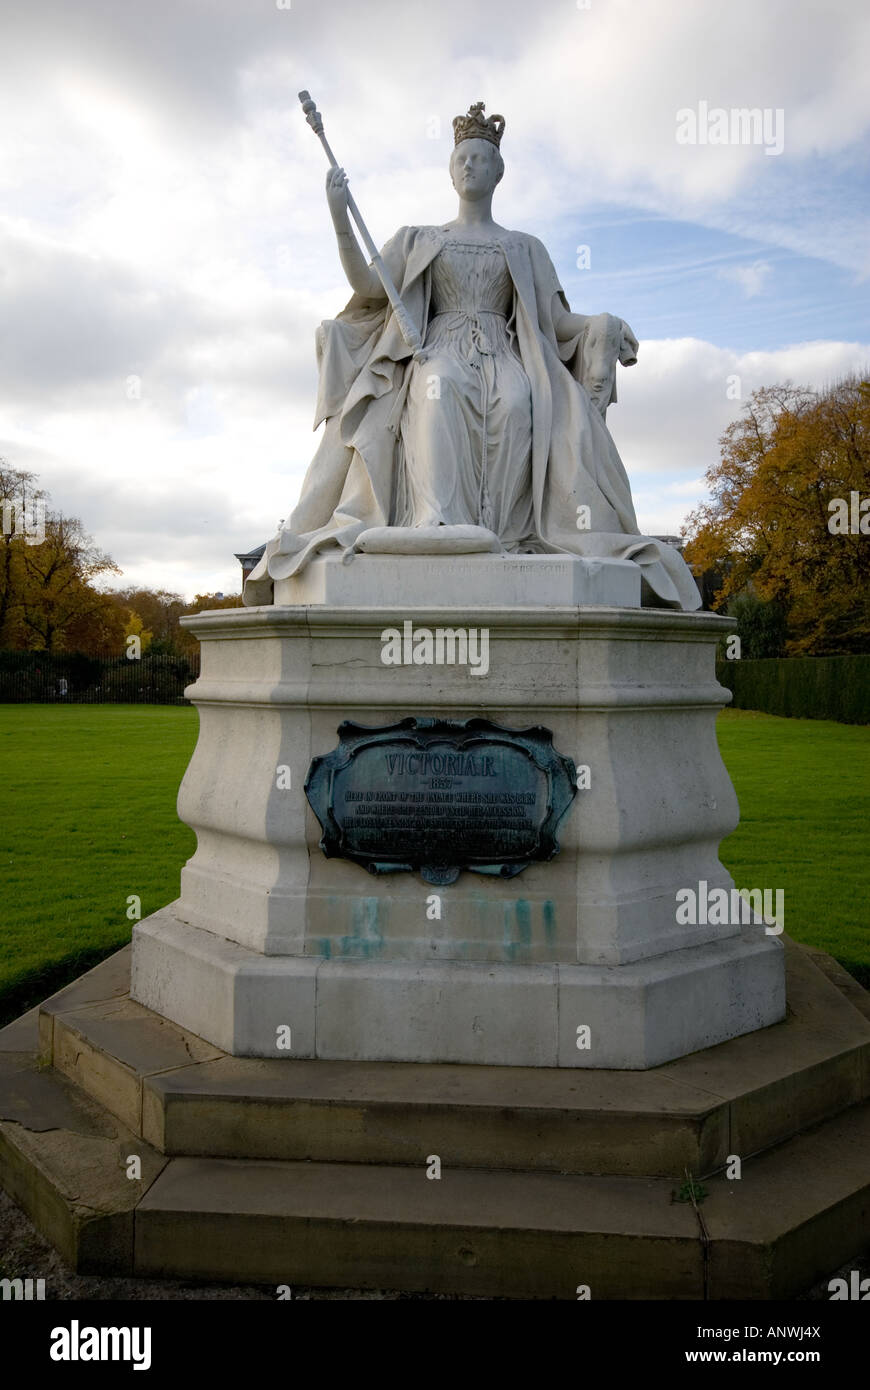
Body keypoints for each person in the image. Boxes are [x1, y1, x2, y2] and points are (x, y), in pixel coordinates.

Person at [244, 103, 699, 610]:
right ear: (450, 169)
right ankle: (437, 523)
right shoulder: (420, 238)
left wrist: (602, 325)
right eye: (462, 157)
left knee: (517, 398)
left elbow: (554, 323)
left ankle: (501, 534)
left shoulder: (525, 247)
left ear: (498, 171)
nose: (470, 166)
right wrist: (339, 218)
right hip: (435, 347)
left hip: (504, 351)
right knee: (440, 390)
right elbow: (368, 286)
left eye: (481, 158)